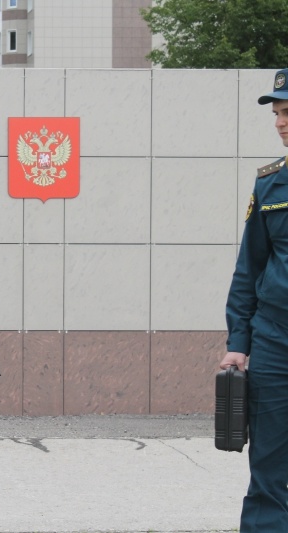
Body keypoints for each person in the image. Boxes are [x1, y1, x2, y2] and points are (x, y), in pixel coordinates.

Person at [221, 67, 288, 531]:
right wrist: (238, 340)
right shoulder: (270, 185)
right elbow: (250, 269)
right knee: (268, 466)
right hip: (275, 340)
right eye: (279, 114)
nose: (282, 122)